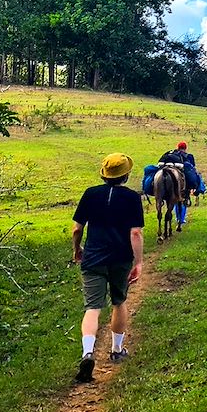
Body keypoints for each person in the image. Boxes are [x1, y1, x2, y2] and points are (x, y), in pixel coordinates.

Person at [72, 153, 144, 383]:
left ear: (103, 174)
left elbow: (76, 229)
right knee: (118, 301)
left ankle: (88, 352)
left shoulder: (90, 194)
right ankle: (116, 350)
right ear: (126, 175)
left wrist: (77, 250)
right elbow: (136, 233)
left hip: (93, 258)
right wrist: (139, 261)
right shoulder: (132, 198)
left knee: (92, 307)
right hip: (120, 258)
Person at [158, 141, 206, 224]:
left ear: (178, 147)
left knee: (174, 200)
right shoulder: (188, 156)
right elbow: (192, 167)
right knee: (184, 198)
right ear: (185, 148)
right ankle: (181, 218)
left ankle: (177, 217)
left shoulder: (171, 154)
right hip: (185, 182)